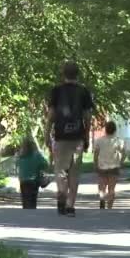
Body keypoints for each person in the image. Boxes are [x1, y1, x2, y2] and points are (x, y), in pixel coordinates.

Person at [45, 61, 95, 217]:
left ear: (63, 74)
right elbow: (88, 117)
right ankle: (70, 206)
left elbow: (51, 115)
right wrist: (86, 137)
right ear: (77, 74)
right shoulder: (84, 91)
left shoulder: (56, 91)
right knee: (74, 172)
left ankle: (61, 193)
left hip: (60, 137)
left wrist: (47, 133)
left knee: (61, 171)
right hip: (77, 137)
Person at [94, 121, 126, 209]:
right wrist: (121, 163)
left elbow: (96, 154)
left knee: (101, 187)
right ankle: (109, 208)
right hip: (114, 167)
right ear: (115, 130)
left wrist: (95, 164)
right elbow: (124, 153)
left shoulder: (99, 140)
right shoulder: (119, 141)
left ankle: (102, 198)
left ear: (106, 129)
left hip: (102, 167)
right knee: (111, 189)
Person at [16, 137, 49, 209]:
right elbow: (46, 165)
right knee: (33, 199)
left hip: (23, 181)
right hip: (34, 181)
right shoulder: (37, 156)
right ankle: (32, 211)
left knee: (25, 199)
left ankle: (26, 211)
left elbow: (18, 166)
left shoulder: (20, 156)